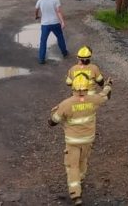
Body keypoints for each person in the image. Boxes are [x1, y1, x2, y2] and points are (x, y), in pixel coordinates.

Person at [48, 74, 112, 206]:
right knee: (83, 160)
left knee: (72, 166)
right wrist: (108, 85)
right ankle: (80, 179)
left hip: (73, 141)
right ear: (87, 87)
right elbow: (105, 95)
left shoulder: (66, 104)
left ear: (74, 87)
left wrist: (55, 111)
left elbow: (53, 122)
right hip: (88, 139)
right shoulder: (94, 99)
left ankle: (75, 194)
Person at [35, 0, 68, 64]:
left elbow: (36, 9)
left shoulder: (40, 0)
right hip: (55, 22)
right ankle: (64, 53)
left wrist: (36, 16)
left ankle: (41, 59)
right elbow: (58, 11)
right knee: (60, 37)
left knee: (43, 41)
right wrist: (62, 22)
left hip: (45, 24)